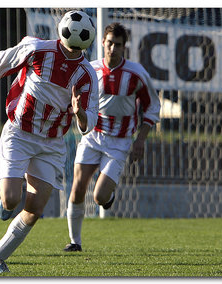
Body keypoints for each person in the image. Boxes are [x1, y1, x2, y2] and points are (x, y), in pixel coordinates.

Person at [0, 11, 99, 273]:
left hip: (51, 144)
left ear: (87, 37)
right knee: (11, 200)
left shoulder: (87, 74)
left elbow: (90, 119)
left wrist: (79, 113)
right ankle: (7, 200)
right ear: (64, 29)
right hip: (19, 133)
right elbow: (1, 61)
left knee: (34, 210)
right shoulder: (37, 49)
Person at [63, 22, 160, 252]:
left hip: (120, 142)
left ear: (124, 47)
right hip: (93, 135)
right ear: (102, 43)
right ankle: (75, 242)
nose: (112, 48)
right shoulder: (91, 70)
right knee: (77, 188)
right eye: (109, 44)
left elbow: (152, 107)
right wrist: (77, 112)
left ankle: (108, 195)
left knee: (99, 197)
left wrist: (140, 140)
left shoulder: (136, 74)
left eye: (117, 44)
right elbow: (77, 98)